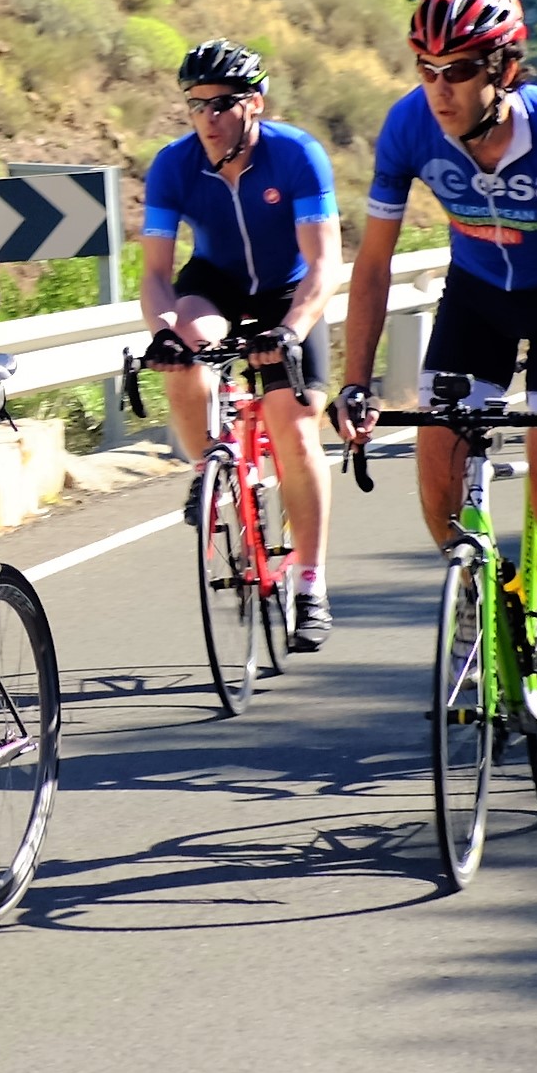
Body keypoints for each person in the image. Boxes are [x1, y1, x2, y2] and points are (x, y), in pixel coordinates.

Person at [333, 0, 537, 770]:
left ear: (504, 70)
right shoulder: (407, 127)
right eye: (425, 69)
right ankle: (483, 594)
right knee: (436, 479)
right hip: (476, 299)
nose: (438, 89)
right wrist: (353, 382)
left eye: (456, 71)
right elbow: (373, 266)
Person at [137, 38, 347, 652]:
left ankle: (310, 581)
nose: (207, 118)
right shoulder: (174, 165)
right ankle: (209, 466)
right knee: (186, 349)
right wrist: (162, 332)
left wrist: (292, 330)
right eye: (195, 104)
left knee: (294, 425)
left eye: (222, 104)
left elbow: (324, 263)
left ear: (254, 103)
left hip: (288, 292)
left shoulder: (297, 155)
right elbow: (155, 274)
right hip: (217, 284)